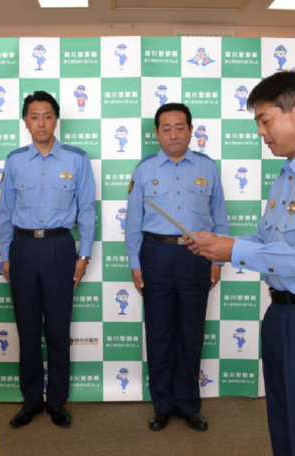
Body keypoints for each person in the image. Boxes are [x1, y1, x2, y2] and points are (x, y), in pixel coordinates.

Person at [185, 71, 295, 456]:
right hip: (282, 317)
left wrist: (232, 252)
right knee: (284, 431)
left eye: (265, 121)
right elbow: (268, 240)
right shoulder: (288, 175)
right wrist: (220, 243)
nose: (261, 133)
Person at [125, 102, 228, 432]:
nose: (173, 134)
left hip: (196, 255)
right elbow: (133, 223)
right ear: (156, 133)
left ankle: (188, 404)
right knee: (159, 333)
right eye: (165, 128)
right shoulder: (144, 169)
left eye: (179, 127)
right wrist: (135, 263)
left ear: (190, 130)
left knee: (191, 332)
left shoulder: (208, 167)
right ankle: (163, 405)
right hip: (155, 254)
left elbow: (220, 217)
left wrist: (216, 258)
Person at [0, 91, 96, 428]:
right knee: (26, 329)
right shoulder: (14, 161)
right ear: (25, 121)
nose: (41, 123)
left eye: (47, 116)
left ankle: (56, 400)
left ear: (56, 119)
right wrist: (7, 255)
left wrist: (84, 254)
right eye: (34, 116)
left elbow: (87, 211)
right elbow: (5, 213)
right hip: (23, 249)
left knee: (56, 328)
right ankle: (30, 401)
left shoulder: (76, 159)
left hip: (59, 248)